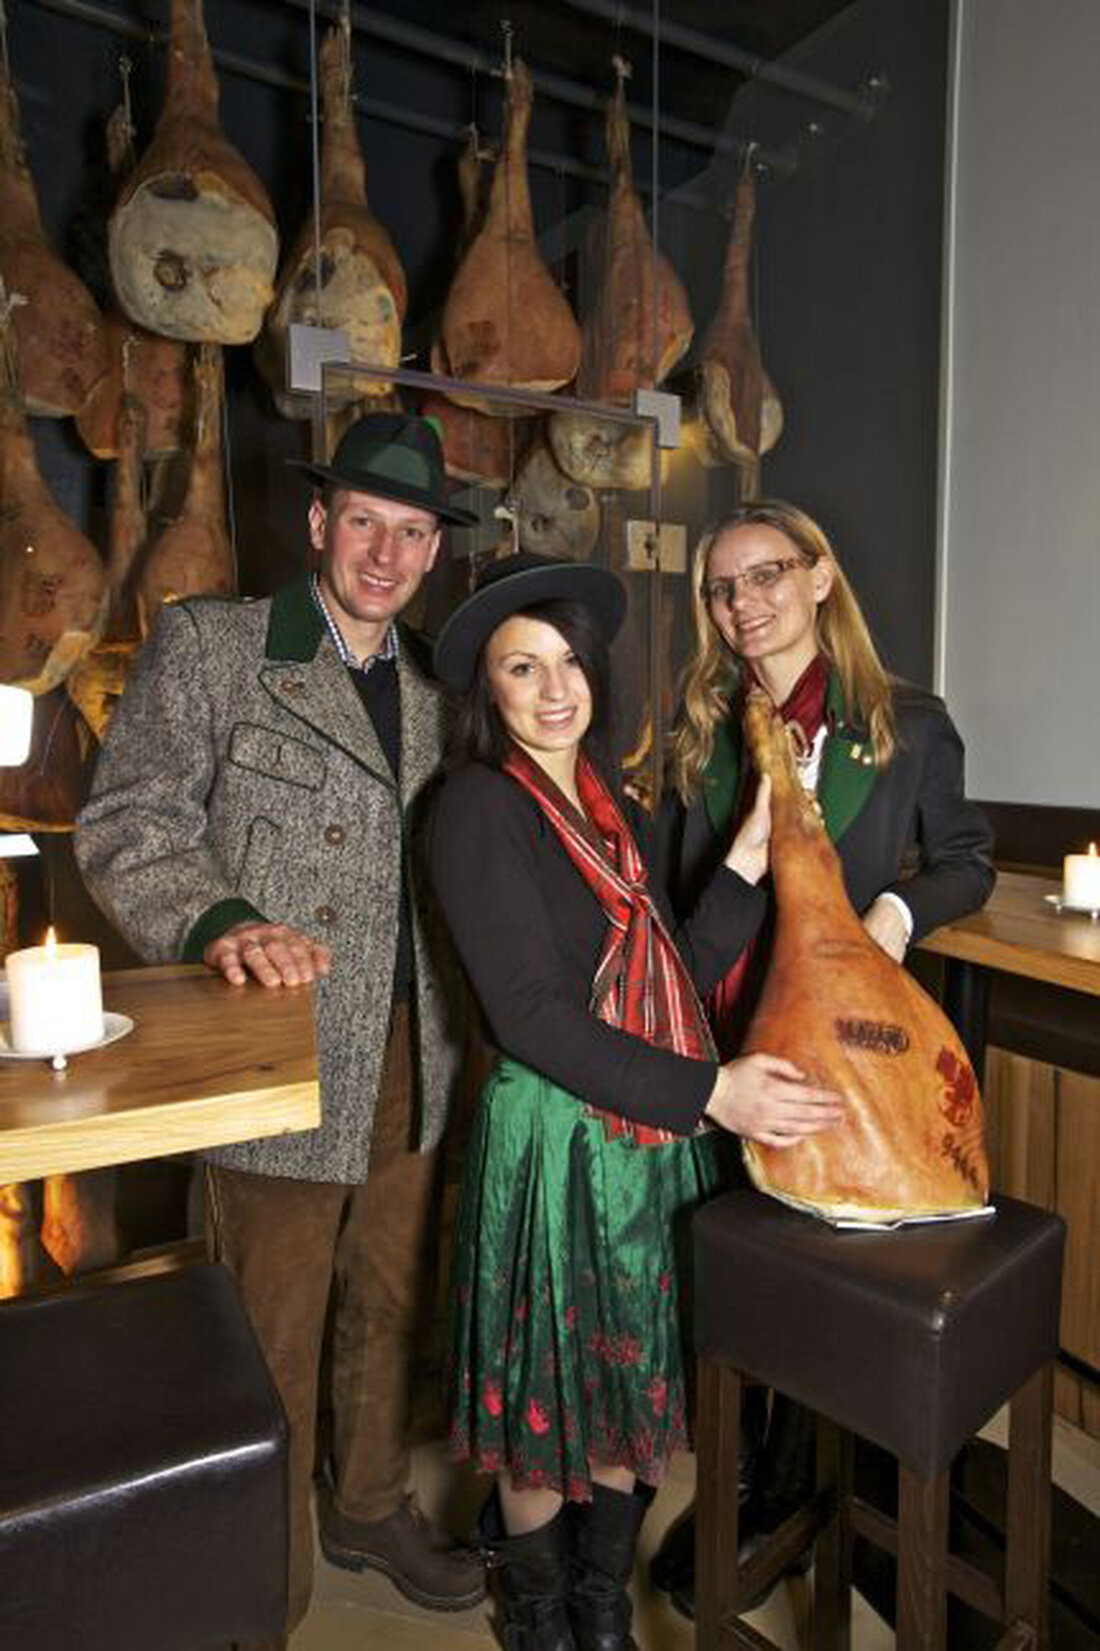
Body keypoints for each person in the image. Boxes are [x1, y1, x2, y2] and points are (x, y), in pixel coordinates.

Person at [74, 413, 488, 1647]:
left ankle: (365, 1506)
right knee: (269, 1320)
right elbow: (129, 820)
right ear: (318, 523)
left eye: (412, 532)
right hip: (278, 1043)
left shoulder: (438, 686)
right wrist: (219, 918)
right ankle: (263, 1572)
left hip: (422, 1043)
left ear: (432, 554)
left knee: (391, 1294)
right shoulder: (217, 646)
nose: (385, 552)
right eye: (364, 519)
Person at [427, 551, 845, 1651]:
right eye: (524, 668)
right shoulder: (474, 809)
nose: (557, 688)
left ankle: (599, 1609)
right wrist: (714, 1092)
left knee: (623, 1394)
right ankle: (536, 1615)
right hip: (552, 1139)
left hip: (640, 1141)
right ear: (489, 689)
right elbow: (529, 1014)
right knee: (538, 1417)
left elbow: (683, 957)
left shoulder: (613, 809)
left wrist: (750, 851)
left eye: (571, 661)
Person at [650, 496, 997, 1619]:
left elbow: (967, 859)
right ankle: (748, 1480)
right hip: (722, 1040)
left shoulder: (902, 719)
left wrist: (896, 909)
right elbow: (670, 898)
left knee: (817, 1280)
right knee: (735, 1274)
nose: (742, 603)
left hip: (842, 1051)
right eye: (721, 587)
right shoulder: (700, 728)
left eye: (763, 576)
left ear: (816, 580)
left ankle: (791, 1489)